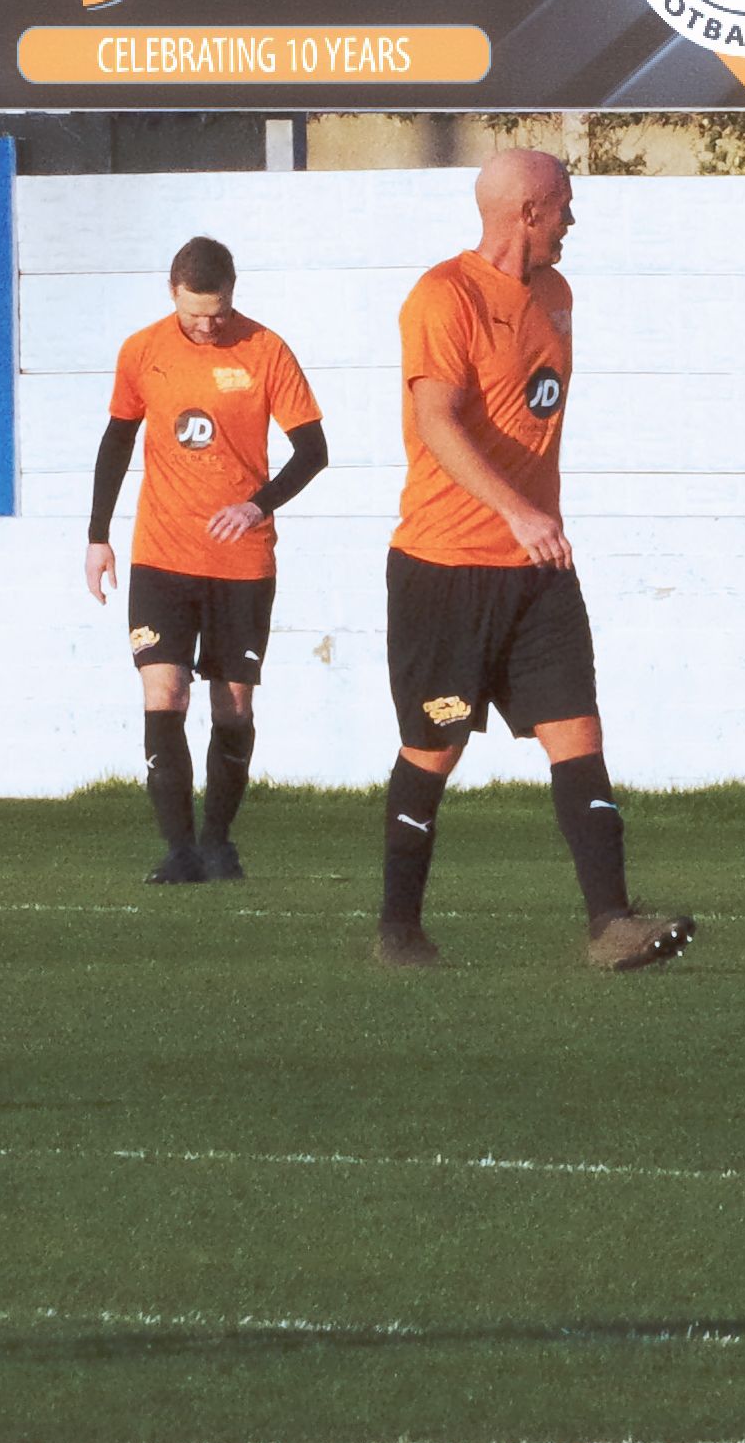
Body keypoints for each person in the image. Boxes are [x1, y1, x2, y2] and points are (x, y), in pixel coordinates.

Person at [374, 149, 691, 971]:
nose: (571, 222)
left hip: (538, 571)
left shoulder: (557, 297)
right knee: (434, 750)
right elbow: (436, 421)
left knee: (577, 732)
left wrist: (532, 523)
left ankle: (611, 925)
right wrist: (515, 510)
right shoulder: (443, 296)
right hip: (445, 569)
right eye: (564, 207)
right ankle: (399, 932)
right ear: (528, 212)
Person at [85, 236, 329, 883]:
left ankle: (218, 842)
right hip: (162, 555)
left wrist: (256, 505)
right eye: (195, 314)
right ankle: (179, 850)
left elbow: (313, 451)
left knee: (233, 706)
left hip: (240, 562)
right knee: (164, 692)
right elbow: (117, 440)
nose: (207, 325)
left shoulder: (266, 350)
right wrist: (97, 536)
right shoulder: (142, 351)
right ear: (173, 294)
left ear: (233, 293)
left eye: (217, 313)